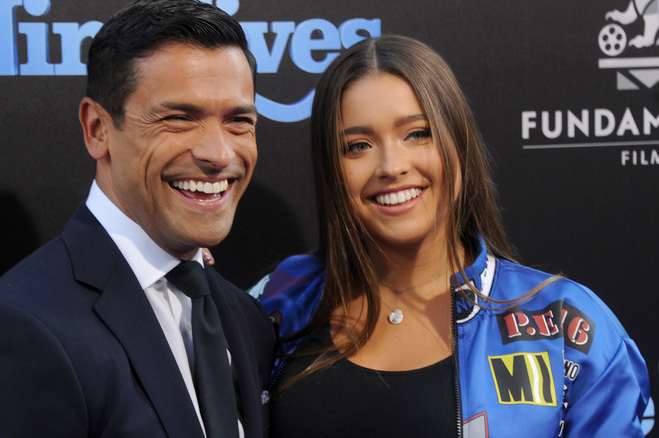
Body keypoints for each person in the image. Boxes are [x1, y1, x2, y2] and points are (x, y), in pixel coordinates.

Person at [250, 35, 650, 437]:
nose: (392, 165)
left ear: (458, 144)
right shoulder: (281, 298)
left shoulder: (565, 323)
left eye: (417, 134)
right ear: (331, 169)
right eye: (358, 145)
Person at [0, 1, 275, 436]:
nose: (219, 154)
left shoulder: (246, 319)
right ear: (97, 129)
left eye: (239, 121)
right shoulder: (22, 334)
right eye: (179, 119)